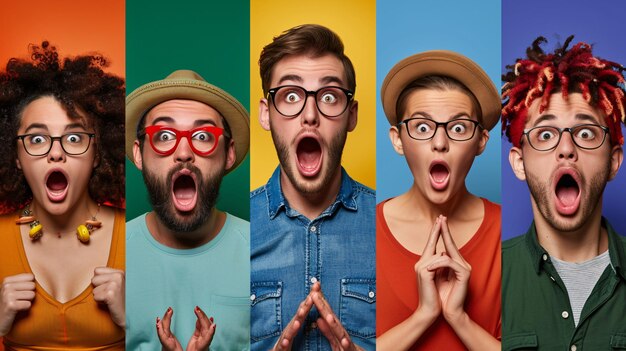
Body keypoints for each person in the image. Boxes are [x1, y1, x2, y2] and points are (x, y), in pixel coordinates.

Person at [250, 24, 375, 351]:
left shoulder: (389, 227)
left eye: (329, 97)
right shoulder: (234, 234)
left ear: (351, 115)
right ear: (266, 114)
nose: (309, 114)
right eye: (291, 96)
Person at [501, 36, 625, 350]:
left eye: (586, 133)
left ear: (613, 161)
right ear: (519, 162)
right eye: (545, 134)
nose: (566, 149)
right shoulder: (487, 275)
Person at [0, 42, 126, 350]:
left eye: (73, 137)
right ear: (15, 155)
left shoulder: (136, 237)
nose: (56, 153)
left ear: (98, 153)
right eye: (37, 138)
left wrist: (132, 320)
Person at [376, 51, 502, 350]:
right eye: (422, 127)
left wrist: (458, 317)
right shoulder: (362, 230)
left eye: (458, 128)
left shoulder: (507, 235)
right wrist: (425, 315)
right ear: (397, 139)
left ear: (481, 142)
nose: (440, 142)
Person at [125, 69, 250, 350]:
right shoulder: (111, 255)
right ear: (138, 153)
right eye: (165, 135)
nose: (184, 152)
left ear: (228, 154)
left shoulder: (259, 249)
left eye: (203, 135)